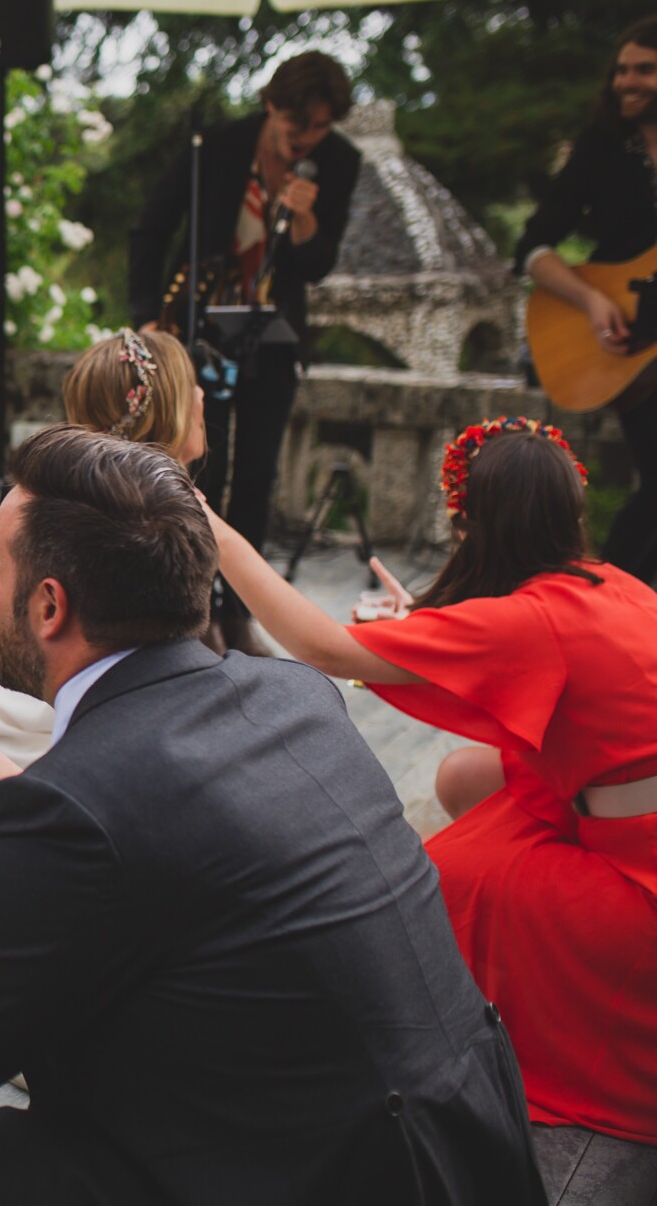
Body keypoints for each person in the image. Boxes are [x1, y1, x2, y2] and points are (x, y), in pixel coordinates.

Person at [0, 424, 543, 1206]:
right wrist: (36, 795)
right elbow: (171, 835)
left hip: (282, 1178)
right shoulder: (298, 696)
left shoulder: (69, 810)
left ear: (49, 606)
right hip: (457, 1149)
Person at [207, 414, 657, 1147]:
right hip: (630, 814)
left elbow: (325, 646)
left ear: (482, 525)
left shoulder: (533, 619)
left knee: (438, 879)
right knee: (462, 777)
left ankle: (430, 1041)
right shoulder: (609, 583)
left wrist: (216, 534)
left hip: (641, 876)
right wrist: (417, 620)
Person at [129, 51, 361, 653]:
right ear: (270, 106)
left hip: (272, 334)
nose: (304, 140)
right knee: (199, 465)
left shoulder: (338, 161)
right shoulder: (217, 146)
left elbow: (319, 265)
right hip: (198, 321)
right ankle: (194, 609)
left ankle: (240, 616)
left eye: (318, 129)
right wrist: (146, 317)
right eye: (294, 127)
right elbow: (152, 226)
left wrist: (306, 223)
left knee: (258, 475)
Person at [0, 328, 207, 764]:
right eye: (189, 384)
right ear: (173, 409)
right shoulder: (190, 523)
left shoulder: (60, 510)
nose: (201, 395)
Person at [513, 15, 657, 585]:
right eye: (621, 70)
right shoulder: (602, 147)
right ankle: (608, 602)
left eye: (644, 70)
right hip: (634, 346)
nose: (627, 81)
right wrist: (593, 302)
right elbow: (533, 245)